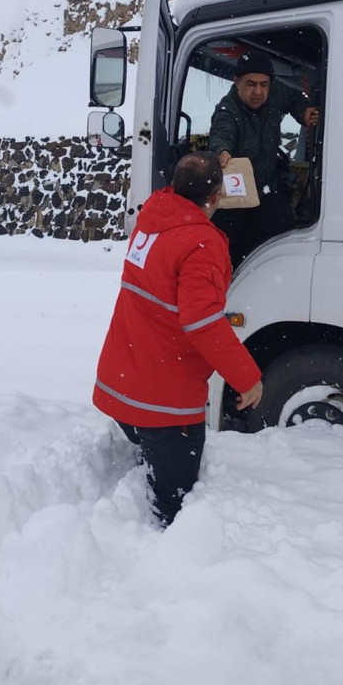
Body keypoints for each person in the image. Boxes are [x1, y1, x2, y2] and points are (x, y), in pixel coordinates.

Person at [93, 152, 263, 526]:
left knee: (153, 461)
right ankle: (160, 568)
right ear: (217, 196)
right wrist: (246, 377)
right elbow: (202, 320)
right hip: (166, 406)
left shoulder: (151, 219)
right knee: (175, 511)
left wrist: (204, 168)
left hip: (123, 388)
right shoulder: (202, 244)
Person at [207, 48, 320, 266]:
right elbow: (221, 134)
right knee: (233, 248)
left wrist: (304, 112)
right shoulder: (227, 110)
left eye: (263, 84)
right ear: (236, 81)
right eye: (251, 84)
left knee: (282, 238)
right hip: (238, 196)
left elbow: (294, 98)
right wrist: (221, 151)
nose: (258, 91)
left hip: (269, 186)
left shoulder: (275, 92)